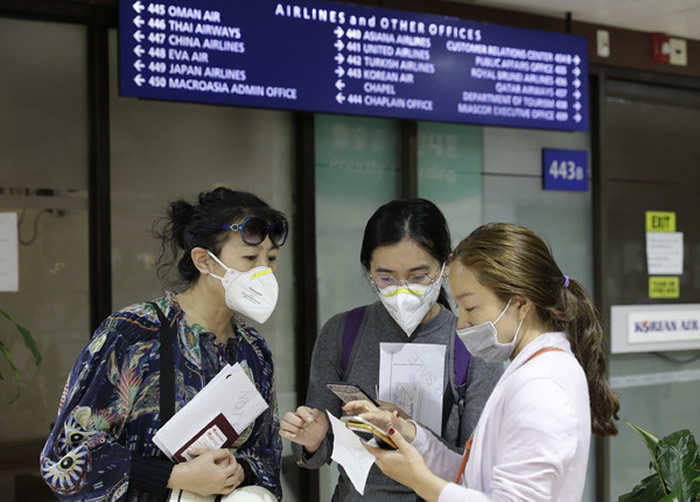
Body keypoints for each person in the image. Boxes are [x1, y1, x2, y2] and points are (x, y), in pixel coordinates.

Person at [40, 188, 288, 501]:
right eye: (250, 258)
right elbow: (66, 460)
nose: (263, 271)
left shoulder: (254, 350)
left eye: (272, 259)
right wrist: (176, 476)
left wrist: (242, 470)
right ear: (204, 261)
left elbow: (267, 453)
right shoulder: (135, 333)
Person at [353, 222, 620, 502]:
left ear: (520, 304)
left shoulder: (540, 386)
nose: (462, 324)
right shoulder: (534, 370)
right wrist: (411, 435)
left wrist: (420, 481)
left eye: (470, 308)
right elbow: (477, 476)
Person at [281, 199, 504, 501]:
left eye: (418, 276)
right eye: (386, 277)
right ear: (368, 270)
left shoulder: (471, 342)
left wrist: (411, 434)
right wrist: (312, 439)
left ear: (445, 267)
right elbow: (316, 452)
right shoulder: (342, 333)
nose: (402, 289)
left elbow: (478, 465)